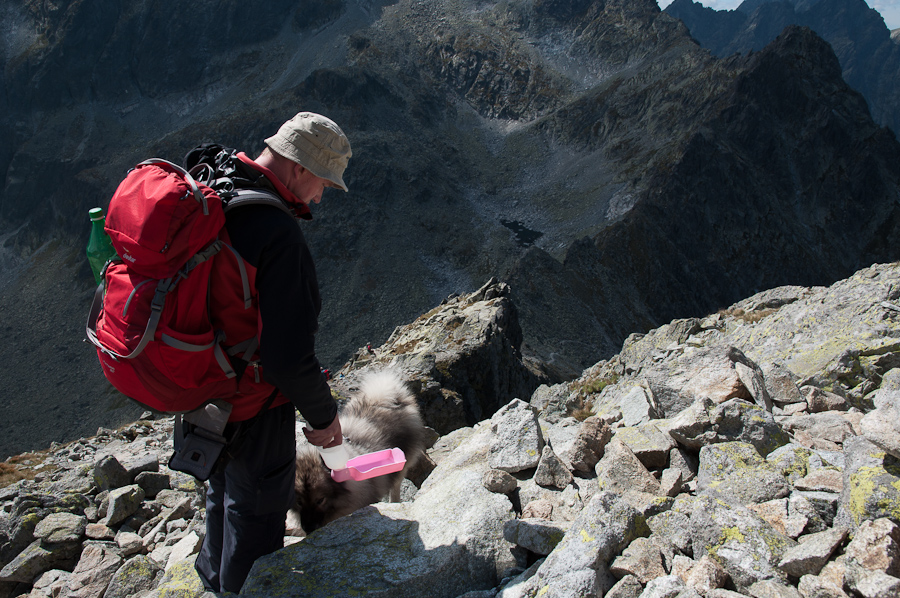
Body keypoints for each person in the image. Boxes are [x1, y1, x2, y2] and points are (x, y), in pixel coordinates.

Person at [192, 112, 352, 593]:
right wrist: (325, 420)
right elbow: (287, 357)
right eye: (323, 181)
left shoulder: (219, 187)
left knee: (221, 493)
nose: (321, 196)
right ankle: (241, 590)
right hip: (253, 405)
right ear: (299, 167)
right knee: (256, 512)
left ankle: (213, 583)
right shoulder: (275, 230)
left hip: (202, 388)